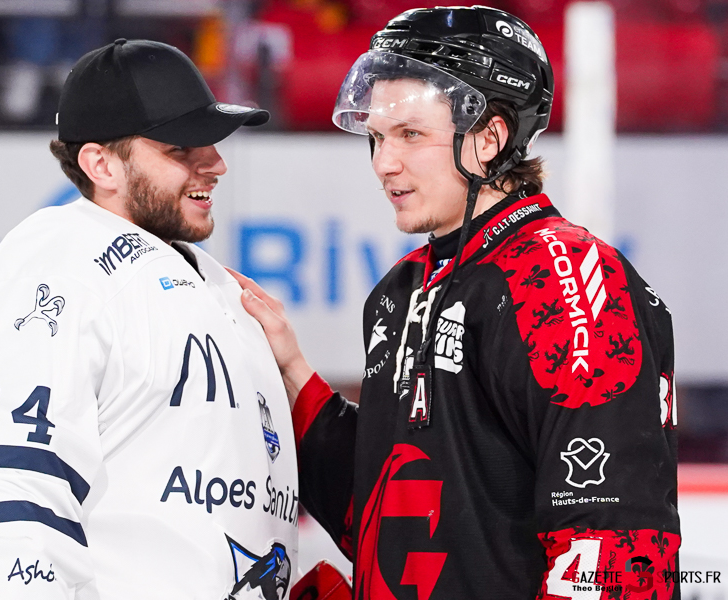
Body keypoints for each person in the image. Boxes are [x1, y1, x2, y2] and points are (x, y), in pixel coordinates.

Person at [233, 7, 680, 599]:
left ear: (490, 137)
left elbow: (615, 544)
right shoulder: (401, 289)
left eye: (411, 135)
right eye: (376, 138)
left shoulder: (563, 278)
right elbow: (397, 516)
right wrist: (291, 372)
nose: (383, 163)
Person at [0, 39, 298, 600]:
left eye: (213, 142)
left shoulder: (218, 286)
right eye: (181, 147)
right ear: (100, 163)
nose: (216, 164)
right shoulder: (68, 256)